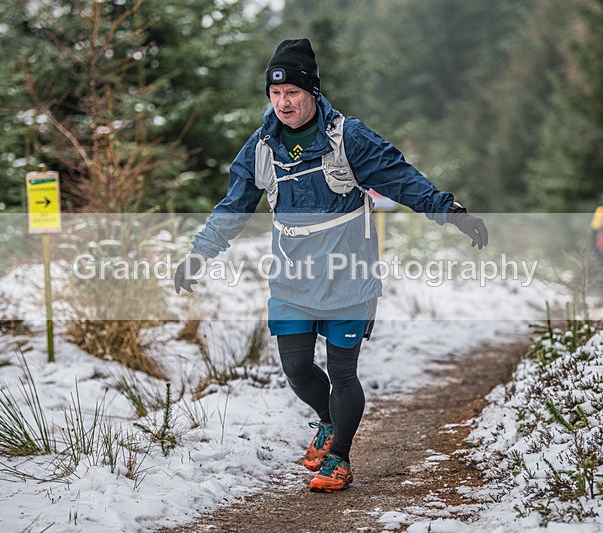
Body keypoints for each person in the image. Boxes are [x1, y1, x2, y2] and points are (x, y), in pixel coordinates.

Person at [174, 38, 488, 493]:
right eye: (275, 94)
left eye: (292, 93)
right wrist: (199, 254)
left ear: (312, 92)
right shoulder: (261, 148)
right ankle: (327, 420)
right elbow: (233, 206)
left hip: (348, 276)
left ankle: (339, 456)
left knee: (342, 372)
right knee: (297, 368)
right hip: (293, 278)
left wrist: (450, 212)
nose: (283, 103)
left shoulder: (348, 138)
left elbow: (400, 178)